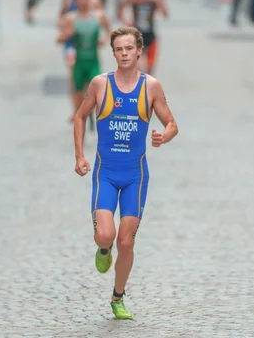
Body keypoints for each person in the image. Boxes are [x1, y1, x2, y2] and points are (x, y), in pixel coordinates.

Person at [73, 26, 178, 320]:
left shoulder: (151, 87)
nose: (124, 54)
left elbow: (172, 124)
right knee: (105, 236)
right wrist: (80, 155)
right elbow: (80, 117)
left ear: (139, 51)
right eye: (119, 50)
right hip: (106, 173)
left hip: (135, 176)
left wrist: (163, 136)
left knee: (126, 241)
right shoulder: (100, 85)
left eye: (129, 49)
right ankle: (103, 249)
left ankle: (117, 297)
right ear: (113, 53)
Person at [57, 0, 103, 122]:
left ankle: (87, 103)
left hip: (89, 42)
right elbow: (60, 19)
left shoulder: (95, 1)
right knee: (73, 71)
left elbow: (100, 20)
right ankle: (76, 108)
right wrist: (65, 30)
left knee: (91, 76)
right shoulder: (69, 1)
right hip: (72, 43)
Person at [118, 0, 168, 75]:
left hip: (151, 33)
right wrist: (127, 22)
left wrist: (158, 2)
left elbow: (165, 14)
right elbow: (120, 9)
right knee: (141, 67)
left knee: (150, 70)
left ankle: (146, 91)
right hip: (137, 33)